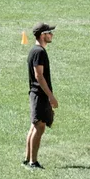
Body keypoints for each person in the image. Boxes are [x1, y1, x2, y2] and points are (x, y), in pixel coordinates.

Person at [24, 23, 57, 170]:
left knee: (34, 126)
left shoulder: (35, 50)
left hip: (37, 93)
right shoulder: (39, 52)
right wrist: (50, 96)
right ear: (43, 35)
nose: (52, 35)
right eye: (49, 32)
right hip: (40, 94)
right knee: (39, 127)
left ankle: (27, 159)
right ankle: (33, 162)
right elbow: (39, 75)